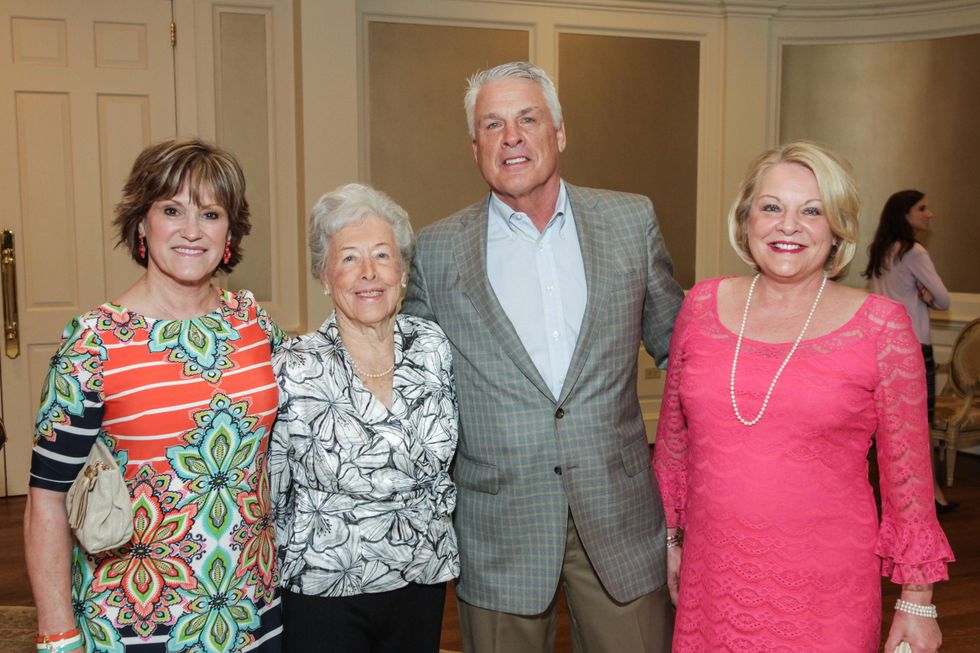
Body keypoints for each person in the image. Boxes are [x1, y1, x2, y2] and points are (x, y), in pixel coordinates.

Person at [402, 61, 684, 653]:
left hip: (619, 517)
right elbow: (411, 391)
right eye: (492, 124)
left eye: (528, 119)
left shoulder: (630, 221)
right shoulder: (434, 250)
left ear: (559, 132)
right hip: (500, 525)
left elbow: (683, 357)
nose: (511, 137)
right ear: (475, 147)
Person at [653, 141, 954, 652]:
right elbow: (673, 445)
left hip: (825, 590)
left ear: (837, 230)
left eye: (812, 211)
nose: (788, 226)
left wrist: (917, 601)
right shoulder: (701, 306)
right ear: (747, 220)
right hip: (713, 578)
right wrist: (669, 541)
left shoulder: (881, 326)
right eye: (772, 207)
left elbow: (909, 482)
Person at [26, 138, 283, 652]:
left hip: (252, 609)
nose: (191, 230)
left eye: (210, 214)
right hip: (135, 621)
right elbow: (46, 501)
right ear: (141, 224)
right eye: (171, 210)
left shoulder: (254, 325)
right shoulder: (94, 343)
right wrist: (58, 636)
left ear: (230, 232)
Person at [270, 183, 458, 653]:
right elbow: (273, 490)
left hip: (421, 574)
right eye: (350, 258)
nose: (369, 273)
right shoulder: (294, 366)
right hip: (326, 585)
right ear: (324, 275)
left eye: (382, 255)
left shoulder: (433, 346)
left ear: (404, 271)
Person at [864, 190, 955, 512]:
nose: (929, 214)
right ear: (905, 214)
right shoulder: (914, 251)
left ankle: (900, 492)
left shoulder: (881, 250)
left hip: (883, 349)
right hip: (915, 347)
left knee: (892, 424)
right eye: (922, 208)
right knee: (921, 423)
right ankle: (932, 494)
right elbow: (943, 300)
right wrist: (926, 296)